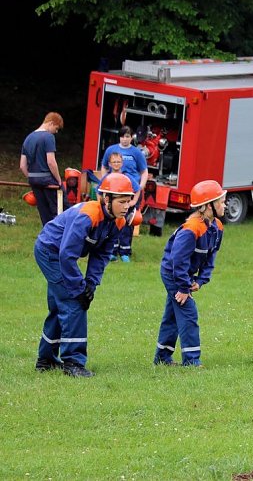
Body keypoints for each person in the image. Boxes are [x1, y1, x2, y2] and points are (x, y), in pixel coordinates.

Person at [34, 173, 135, 377]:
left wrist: (90, 284)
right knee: (74, 303)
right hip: (50, 252)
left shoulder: (118, 222)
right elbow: (66, 254)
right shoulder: (87, 215)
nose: (126, 207)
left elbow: (102, 255)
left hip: (62, 255)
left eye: (128, 201)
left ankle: (45, 360)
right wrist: (79, 289)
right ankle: (73, 363)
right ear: (106, 199)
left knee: (59, 306)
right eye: (122, 202)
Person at [153, 180, 225, 367]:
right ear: (208, 206)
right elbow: (178, 261)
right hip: (173, 273)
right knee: (188, 312)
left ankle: (162, 357)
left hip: (185, 275)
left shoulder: (217, 227)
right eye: (220, 201)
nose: (224, 204)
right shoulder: (191, 229)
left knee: (172, 314)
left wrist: (201, 281)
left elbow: (210, 258)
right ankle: (192, 361)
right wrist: (184, 287)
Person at [100, 126, 149, 262]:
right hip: (115, 191)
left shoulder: (137, 153)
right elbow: (103, 167)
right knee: (113, 221)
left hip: (131, 191)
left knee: (129, 221)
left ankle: (125, 251)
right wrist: (105, 182)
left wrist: (141, 185)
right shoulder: (111, 150)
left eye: (128, 136)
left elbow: (144, 171)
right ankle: (112, 250)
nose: (125, 139)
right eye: (123, 136)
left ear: (131, 137)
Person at [20, 112, 67, 225]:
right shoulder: (48, 137)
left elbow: (22, 165)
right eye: (56, 128)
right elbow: (51, 162)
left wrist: (31, 177)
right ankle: (61, 235)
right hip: (47, 180)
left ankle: (46, 237)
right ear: (51, 123)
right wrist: (59, 180)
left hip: (33, 180)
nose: (56, 132)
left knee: (44, 214)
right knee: (61, 210)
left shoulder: (28, 138)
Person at [101, 152, 140, 261]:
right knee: (111, 229)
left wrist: (133, 202)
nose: (116, 164)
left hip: (124, 209)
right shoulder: (107, 178)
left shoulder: (127, 177)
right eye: (114, 162)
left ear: (122, 163)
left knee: (125, 229)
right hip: (111, 210)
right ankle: (111, 252)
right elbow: (100, 192)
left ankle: (124, 253)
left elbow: (137, 189)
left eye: (118, 162)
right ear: (109, 164)